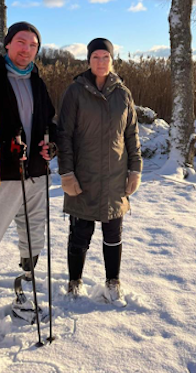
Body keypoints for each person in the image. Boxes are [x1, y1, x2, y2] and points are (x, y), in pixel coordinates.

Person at [0, 22, 58, 317]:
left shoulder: (36, 79)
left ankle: (25, 290)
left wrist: (51, 145)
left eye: (33, 45)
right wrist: (5, 143)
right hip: (2, 174)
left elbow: (49, 123)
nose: (27, 49)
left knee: (33, 234)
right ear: (7, 44)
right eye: (21, 42)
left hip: (36, 172)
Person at [57, 38, 143, 307]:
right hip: (84, 176)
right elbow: (64, 135)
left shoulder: (123, 94)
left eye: (106, 56)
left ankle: (112, 283)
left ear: (112, 60)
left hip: (116, 177)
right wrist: (66, 173)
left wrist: (135, 169)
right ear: (88, 60)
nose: (101, 62)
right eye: (96, 57)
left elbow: (132, 135)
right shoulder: (75, 92)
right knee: (80, 232)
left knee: (113, 233)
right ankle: (74, 283)